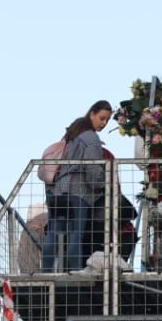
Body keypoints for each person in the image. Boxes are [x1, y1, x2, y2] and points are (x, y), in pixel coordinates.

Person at [40, 100, 112, 272]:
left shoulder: (71, 135)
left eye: (107, 120)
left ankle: (46, 273)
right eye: (102, 118)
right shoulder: (91, 137)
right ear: (92, 114)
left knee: (53, 233)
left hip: (57, 191)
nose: (103, 123)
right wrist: (103, 183)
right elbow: (93, 169)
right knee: (75, 235)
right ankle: (75, 274)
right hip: (78, 192)